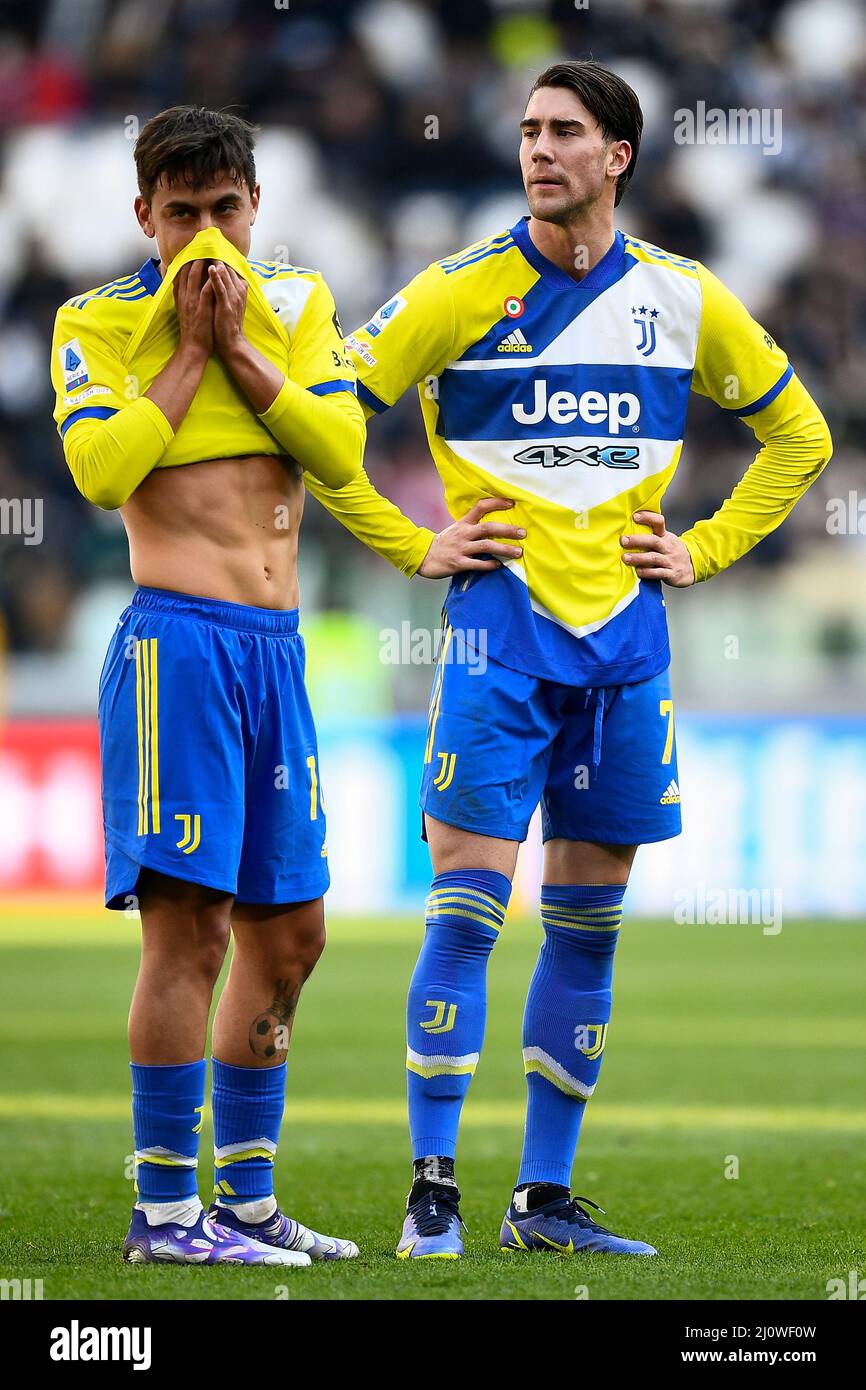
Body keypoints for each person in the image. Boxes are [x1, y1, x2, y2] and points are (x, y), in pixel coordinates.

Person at [335, 59, 832, 1259]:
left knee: (587, 927)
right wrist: (413, 544)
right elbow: (323, 415)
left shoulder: (680, 296)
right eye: (526, 131)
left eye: (565, 132)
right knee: (463, 915)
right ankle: (433, 1194)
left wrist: (703, 547)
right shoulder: (456, 292)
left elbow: (798, 434)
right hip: (498, 645)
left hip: (626, 655)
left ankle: (541, 1201)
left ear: (617, 157)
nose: (537, 150)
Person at [50, 104, 521, 1266]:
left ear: (256, 207)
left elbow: (335, 448)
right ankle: (164, 1213)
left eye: (223, 210)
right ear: (143, 218)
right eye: (180, 215)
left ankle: (245, 1203)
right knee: (191, 936)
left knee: (292, 932)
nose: (204, 237)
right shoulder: (98, 321)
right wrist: (193, 354)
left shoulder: (301, 305)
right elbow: (103, 471)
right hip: (177, 647)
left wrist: (245, 350)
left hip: (275, 650)